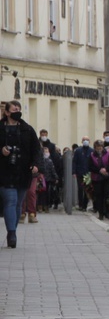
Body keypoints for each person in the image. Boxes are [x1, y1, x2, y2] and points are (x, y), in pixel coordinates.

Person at [0, 101, 42, 247]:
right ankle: (11, 233)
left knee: (18, 203)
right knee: (10, 201)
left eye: (18, 109)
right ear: (6, 112)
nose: (17, 111)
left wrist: (36, 165)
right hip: (4, 172)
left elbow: (36, 150)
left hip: (23, 172)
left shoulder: (27, 130)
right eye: (14, 109)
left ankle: (13, 230)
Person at [88, 140, 109, 220]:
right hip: (96, 178)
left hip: (106, 177)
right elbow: (90, 166)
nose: (99, 149)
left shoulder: (108, 154)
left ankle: (108, 212)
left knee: (107, 195)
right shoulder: (92, 155)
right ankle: (101, 213)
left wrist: (106, 169)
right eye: (97, 147)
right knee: (99, 196)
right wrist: (99, 170)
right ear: (95, 148)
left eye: (101, 147)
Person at [73, 136, 93, 210]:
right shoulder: (78, 151)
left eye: (87, 140)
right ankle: (80, 204)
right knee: (80, 189)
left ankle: (85, 205)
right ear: (81, 141)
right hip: (79, 173)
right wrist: (74, 172)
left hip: (88, 174)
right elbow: (74, 162)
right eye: (84, 140)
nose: (85, 141)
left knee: (87, 190)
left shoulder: (92, 151)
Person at [37, 147, 58, 214]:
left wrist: (55, 177)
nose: (47, 153)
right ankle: (41, 206)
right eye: (45, 151)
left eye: (47, 151)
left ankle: (44, 206)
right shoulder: (41, 160)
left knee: (45, 194)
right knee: (42, 193)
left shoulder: (49, 161)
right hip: (42, 179)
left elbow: (52, 170)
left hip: (47, 179)